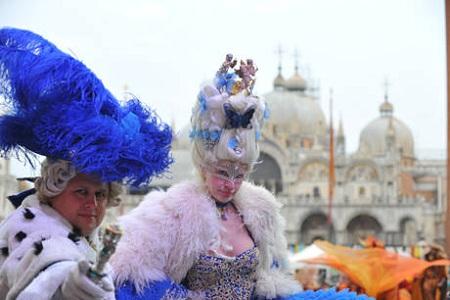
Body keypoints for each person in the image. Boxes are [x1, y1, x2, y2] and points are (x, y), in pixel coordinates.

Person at [111, 55, 371, 299]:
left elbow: (274, 281)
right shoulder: (170, 210)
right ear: (204, 167)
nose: (230, 184)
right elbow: (132, 273)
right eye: (223, 172)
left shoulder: (260, 212)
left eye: (240, 174)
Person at [0, 28, 172, 299]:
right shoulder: (35, 227)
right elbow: (49, 269)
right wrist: (72, 284)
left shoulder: (73, 228)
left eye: (100, 194)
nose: (93, 204)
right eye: (81, 192)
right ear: (54, 188)